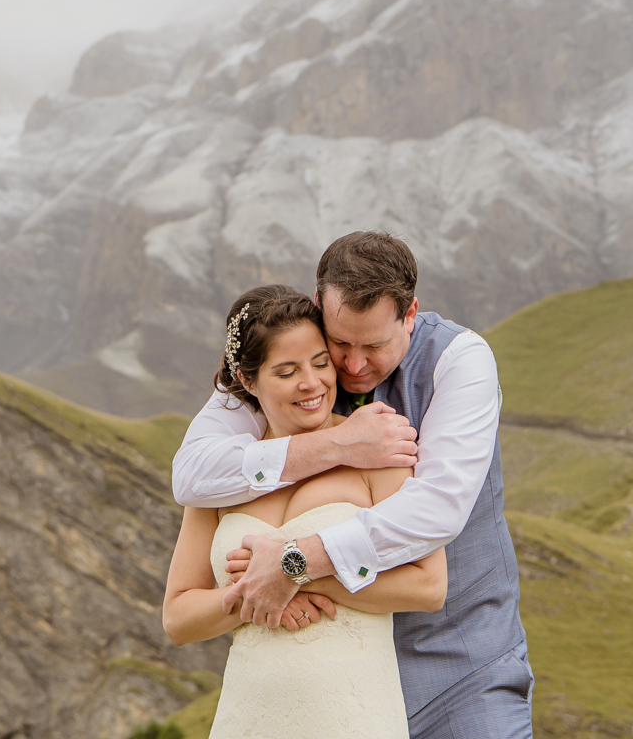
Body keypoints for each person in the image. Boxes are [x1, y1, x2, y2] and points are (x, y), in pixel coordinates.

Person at [172, 232, 533, 739]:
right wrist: (337, 447)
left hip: (461, 661)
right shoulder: (287, 358)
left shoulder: (459, 362)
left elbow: (437, 511)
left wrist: (295, 564)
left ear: (410, 315)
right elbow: (192, 475)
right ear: (321, 309)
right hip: (323, 681)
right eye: (340, 345)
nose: (353, 366)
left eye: (375, 345)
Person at [163, 284, 446, 738]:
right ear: (249, 380)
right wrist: (256, 594)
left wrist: (296, 571)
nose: (312, 383)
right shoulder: (222, 478)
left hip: (353, 717)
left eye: (319, 363)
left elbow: (428, 586)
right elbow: (177, 618)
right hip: (247, 717)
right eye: (287, 371)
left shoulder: (377, 447)